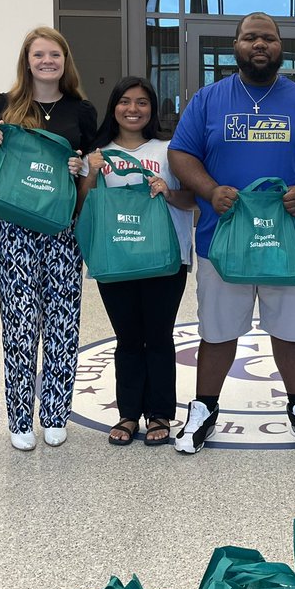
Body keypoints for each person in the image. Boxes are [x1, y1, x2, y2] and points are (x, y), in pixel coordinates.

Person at [168, 12, 295, 454]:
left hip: (288, 242)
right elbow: (180, 154)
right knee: (217, 331)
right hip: (222, 239)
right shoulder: (209, 100)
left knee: (290, 331)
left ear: (281, 46)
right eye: (250, 37)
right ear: (236, 45)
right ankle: (205, 409)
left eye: (268, 37)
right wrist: (209, 190)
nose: (259, 44)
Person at [0, 27, 96, 451]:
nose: (47, 61)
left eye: (55, 54)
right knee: (18, 324)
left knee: (63, 322)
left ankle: (54, 413)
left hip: (62, 225)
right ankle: (19, 418)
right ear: (26, 60)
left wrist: (80, 166)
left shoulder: (81, 109)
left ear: (65, 61)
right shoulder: (3, 104)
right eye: (39, 55)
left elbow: (89, 164)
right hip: (15, 225)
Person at [80, 76, 195, 447]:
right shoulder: (96, 154)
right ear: (113, 107)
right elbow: (81, 207)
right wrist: (92, 172)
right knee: (128, 338)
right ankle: (129, 413)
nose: (133, 109)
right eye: (125, 101)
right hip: (116, 258)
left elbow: (192, 199)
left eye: (142, 102)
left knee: (159, 336)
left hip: (166, 257)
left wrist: (168, 191)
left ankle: (159, 413)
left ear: (153, 109)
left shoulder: (170, 150)